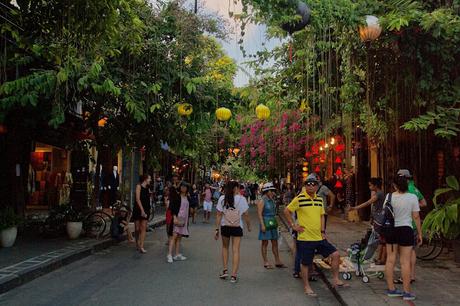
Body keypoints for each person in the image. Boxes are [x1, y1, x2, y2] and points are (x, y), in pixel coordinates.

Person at [284, 174, 347, 297]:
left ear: (317, 186)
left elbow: (322, 215)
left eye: (313, 184)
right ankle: (306, 286)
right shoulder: (299, 198)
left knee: (335, 254)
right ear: (305, 186)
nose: (311, 186)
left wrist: (323, 231)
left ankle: (336, 279)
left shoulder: (319, 199)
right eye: (308, 184)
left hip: (318, 237)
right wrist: (293, 225)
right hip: (305, 238)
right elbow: (287, 210)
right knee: (306, 262)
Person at [384, 175, 422, 301]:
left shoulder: (389, 197)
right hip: (406, 229)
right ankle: (406, 292)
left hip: (391, 230)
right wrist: (420, 233)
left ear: (395, 185)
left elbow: (385, 214)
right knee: (405, 262)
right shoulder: (412, 197)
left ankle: (391, 289)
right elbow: (416, 217)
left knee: (390, 260)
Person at [394, 169, 427, 284]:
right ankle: (412, 275)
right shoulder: (415, 189)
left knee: (403, 255)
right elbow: (424, 203)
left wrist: (410, 207)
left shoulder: (406, 189)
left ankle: (405, 277)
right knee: (412, 251)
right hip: (412, 225)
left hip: (405, 223)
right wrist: (414, 207)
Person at [215, 181, 251, 283]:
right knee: (236, 250)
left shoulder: (222, 198)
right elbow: (246, 215)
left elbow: (218, 215)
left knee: (225, 247)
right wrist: (249, 226)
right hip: (237, 227)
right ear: (235, 188)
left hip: (225, 226)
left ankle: (225, 270)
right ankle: (234, 275)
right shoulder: (242, 199)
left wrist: (216, 229)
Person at [351, 177, 386, 264]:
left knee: (381, 241)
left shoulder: (379, 194)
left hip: (379, 220)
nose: (369, 187)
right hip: (377, 219)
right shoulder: (379, 193)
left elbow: (368, 203)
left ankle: (382, 259)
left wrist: (355, 208)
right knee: (381, 240)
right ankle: (379, 258)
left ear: (375, 186)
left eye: (370, 185)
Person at [257, 182, 286, 269]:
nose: (273, 192)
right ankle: (266, 261)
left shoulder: (272, 199)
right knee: (265, 242)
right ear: (267, 191)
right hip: (265, 221)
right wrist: (262, 225)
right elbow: (259, 213)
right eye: (271, 191)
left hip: (272, 221)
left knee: (275, 242)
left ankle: (277, 261)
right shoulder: (262, 200)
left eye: (273, 190)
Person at [167, 182, 190, 263]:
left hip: (184, 220)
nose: (183, 188)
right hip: (177, 219)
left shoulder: (187, 197)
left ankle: (176, 254)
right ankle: (169, 254)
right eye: (182, 186)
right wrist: (174, 218)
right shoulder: (177, 197)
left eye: (185, 187)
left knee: (179, 237)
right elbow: (172, 208)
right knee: (174, 236)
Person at [132, 174, 152, 254]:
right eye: (149, 178)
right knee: (137, 228)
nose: (150, 180)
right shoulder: (138, 186)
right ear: (145, 179)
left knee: (143, 227)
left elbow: (148, 199)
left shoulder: (148, 188)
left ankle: (141, 246)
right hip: (138, 209)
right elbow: (137, 199)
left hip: (146, 209)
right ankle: (137, 242)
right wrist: (142, 211)